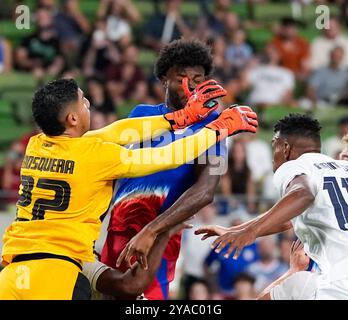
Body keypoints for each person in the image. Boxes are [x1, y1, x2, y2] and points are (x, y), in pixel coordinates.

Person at [0, 78, 258, 300]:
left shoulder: (37, 145)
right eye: (83, 100)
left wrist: (176, 119)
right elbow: (167, 157)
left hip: (12, 270)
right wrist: (217, 129)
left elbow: (116, 132)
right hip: (57, 273)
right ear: (73, 118)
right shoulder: (97, 155)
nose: (88, 103)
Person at [101, 39, 257, 300]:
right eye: (181, 77)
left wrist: (153, 231)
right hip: (115, 230)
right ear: (164, 78)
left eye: (198, 78)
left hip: (158, 237)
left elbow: (206, 190)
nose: (191, 86)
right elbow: (111, 167)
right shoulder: (141, 114)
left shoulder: (216, 126)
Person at [196, 113, 348, 299]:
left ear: (285, 148)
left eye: (274, 145)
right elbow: (288, 220)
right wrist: (237, 229)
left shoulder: (295, 166)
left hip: (336, 285)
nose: (272, 155)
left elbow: (303, 194)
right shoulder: (342, 168)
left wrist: (249, 232)